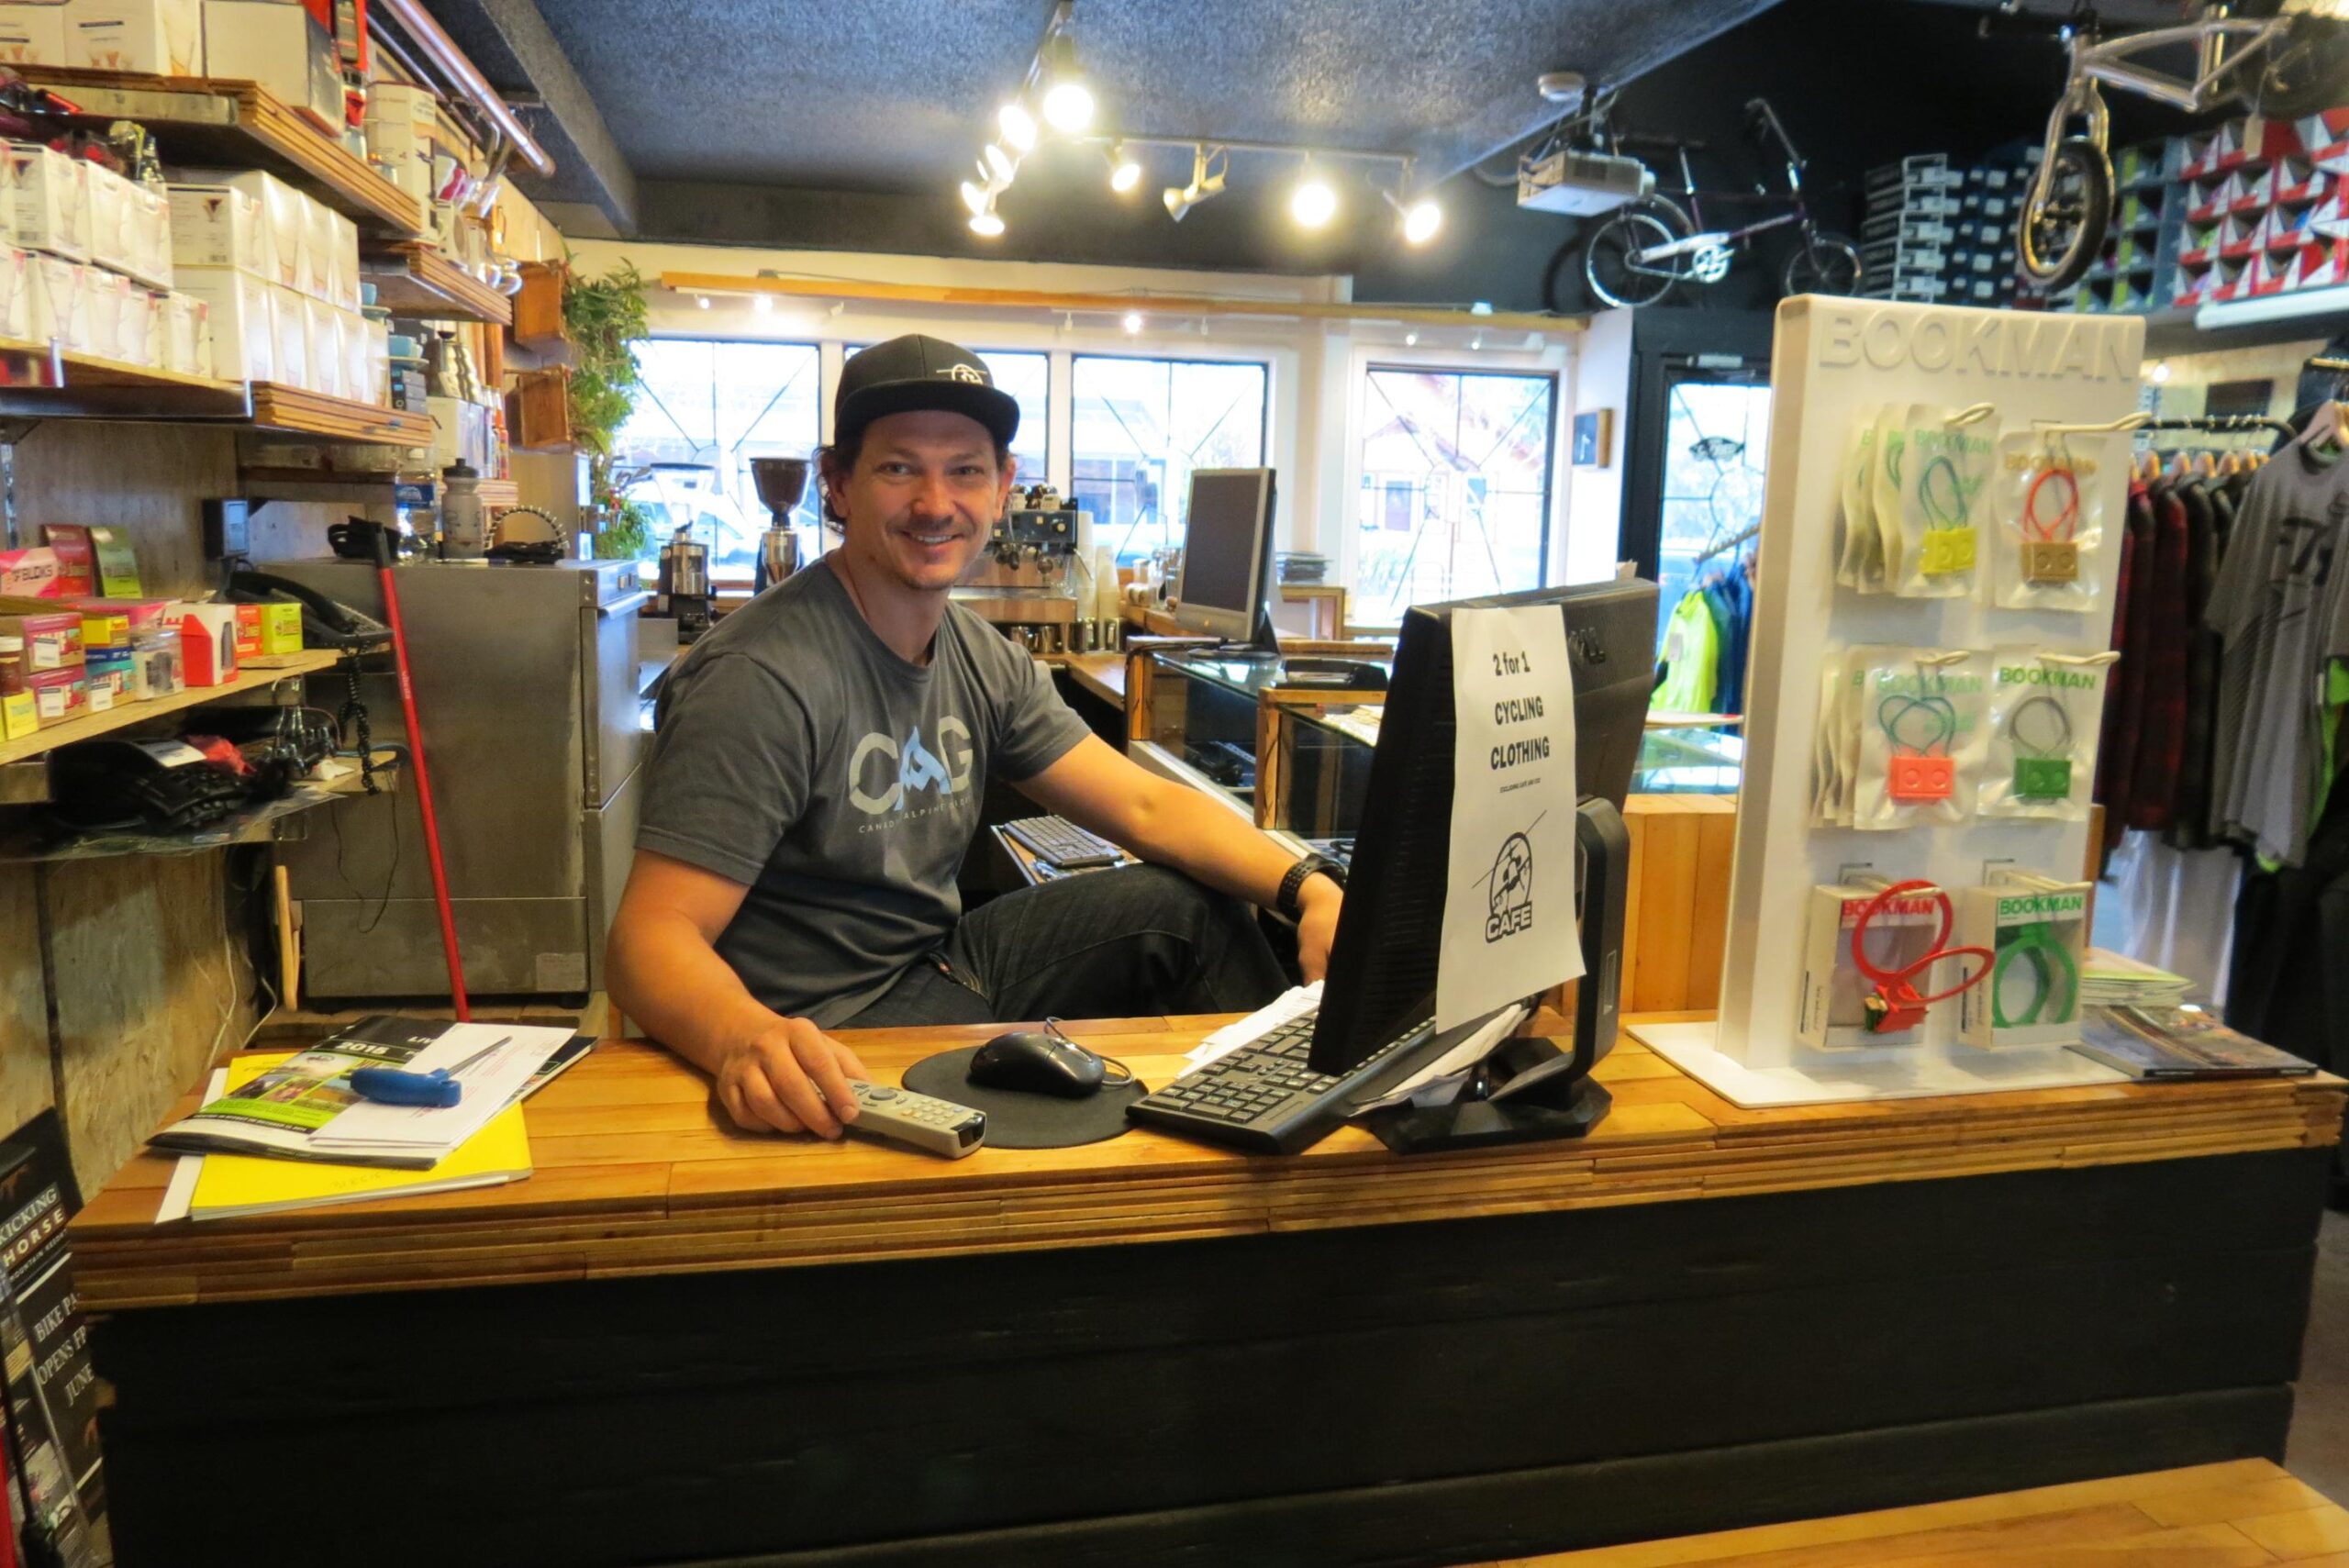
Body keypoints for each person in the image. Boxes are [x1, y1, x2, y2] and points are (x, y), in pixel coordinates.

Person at [606, 335, 1347, 1140]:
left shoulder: (978, 654)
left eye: (964, 468)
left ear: (1002, 486)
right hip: (830, 1019)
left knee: (1190, 908)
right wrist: (744, 1037)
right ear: (838, 484)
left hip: (941, 954)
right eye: (898, 468)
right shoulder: (763, 676)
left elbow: (1144, 805)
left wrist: (1312, 886)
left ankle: (1296, 1119)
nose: (934, 502)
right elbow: (649, 941)